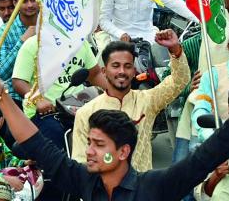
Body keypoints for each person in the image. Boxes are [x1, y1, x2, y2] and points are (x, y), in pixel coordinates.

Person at [0, 62, 229, 201]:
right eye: (89, 142)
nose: (89, 151)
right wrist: (0, 95)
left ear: (123, 151)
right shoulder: (83, 181)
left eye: (99, 145)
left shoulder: (154, 187)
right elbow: (37, 144)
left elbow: (203, 159)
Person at [72, 30, 190, 172]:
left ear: (134, 71)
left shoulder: (148, 101)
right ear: (104, 71)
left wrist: (175, 49)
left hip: (143, 189)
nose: (122, 71)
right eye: (115, 66)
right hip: (105, 191)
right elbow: (80, 163)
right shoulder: (86, 113)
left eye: (127, 66)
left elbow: (179, 81)